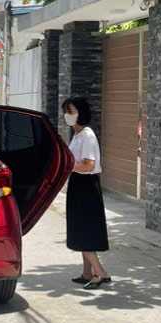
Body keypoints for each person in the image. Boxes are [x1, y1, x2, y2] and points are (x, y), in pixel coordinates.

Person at [62, 96, 110, 288]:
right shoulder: (78, 135)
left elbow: (88, 165)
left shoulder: (87, 135)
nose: (67, 115)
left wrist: (67, 165)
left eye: (71, 111)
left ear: (81, 113)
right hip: (78, 183)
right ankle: (87, 272)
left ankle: (100, 273)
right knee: (79, 228)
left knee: (84, 230)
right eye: (66, 111)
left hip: (86, 185)